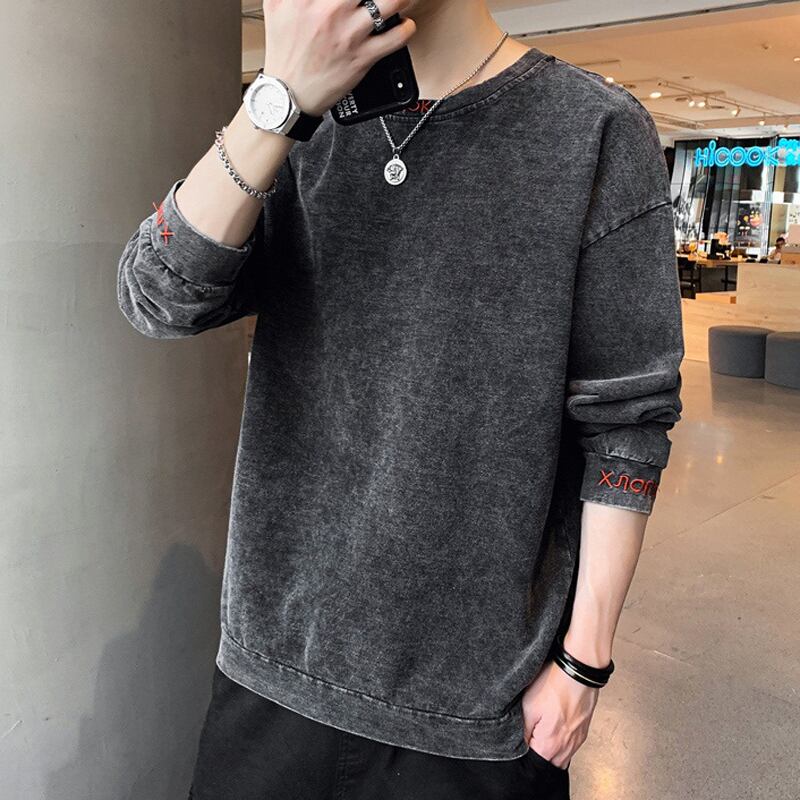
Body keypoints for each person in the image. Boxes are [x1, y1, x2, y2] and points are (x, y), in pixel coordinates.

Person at [117, 1, 685, 797]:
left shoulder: (592, 129)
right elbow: (159, 298)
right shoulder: (298, 126)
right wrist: (279, 99)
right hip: (275, 677)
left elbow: (628, 423)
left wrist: (582, 663)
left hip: (478, 711)